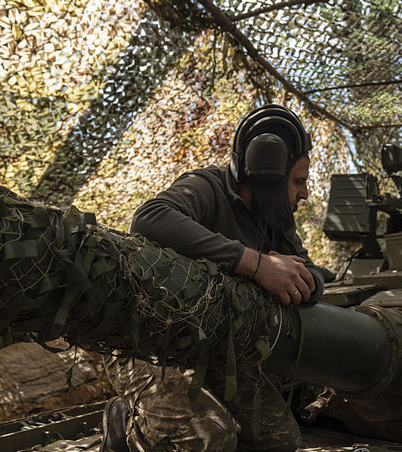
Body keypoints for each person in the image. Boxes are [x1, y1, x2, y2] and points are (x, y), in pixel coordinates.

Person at [101, 104, 325, 452]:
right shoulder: (206, 187)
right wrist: (256, 264)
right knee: (209, 438)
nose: (304, 193)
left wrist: (301, 278)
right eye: (298, 182)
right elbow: (149, 219)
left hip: (206, 345)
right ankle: (126, 428)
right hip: (144, 342)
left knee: (281, 440)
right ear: (269, 178)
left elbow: (309, 276)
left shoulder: (275, 218)